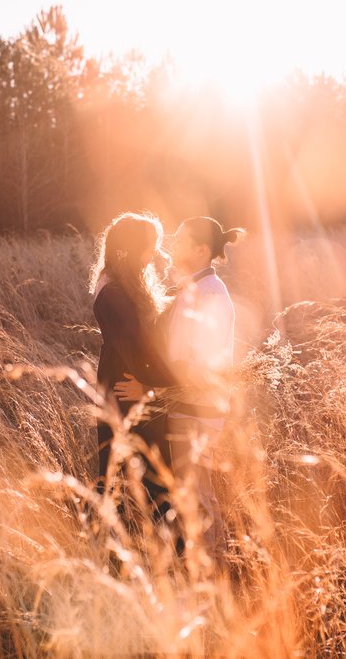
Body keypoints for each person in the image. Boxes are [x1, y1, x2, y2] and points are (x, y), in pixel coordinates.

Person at [115, 216, 245, 554]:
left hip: (197, 413)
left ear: (201, 250)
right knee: (187, 498)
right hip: (182, 409)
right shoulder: (192, 288)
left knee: (199, 501)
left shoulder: (212, 296)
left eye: (180, 240)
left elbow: (198, 368)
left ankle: (213, 582)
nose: (171, 246)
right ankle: (194, 578)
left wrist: (148, 391)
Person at [89, 212, 178, 502]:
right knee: (139, 476)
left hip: (128, 382)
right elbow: (140, 346)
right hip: (127, 388)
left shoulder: (123, 281)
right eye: (149, 246)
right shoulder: (114, 293)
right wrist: (168, 387)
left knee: (135, 473)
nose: (154, 253)